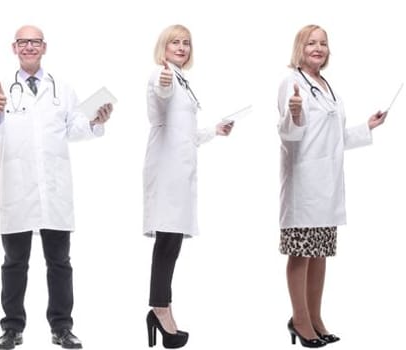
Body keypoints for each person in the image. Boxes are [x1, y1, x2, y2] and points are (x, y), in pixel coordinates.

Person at [0, 24, 115, 350]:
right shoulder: (1, 87)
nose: (29, 47)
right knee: (14, 262)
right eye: (23, 42)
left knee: (60, 262)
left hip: (53, 189)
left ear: (44, 47)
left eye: (34, 42)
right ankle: (12, 328)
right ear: (14, 48)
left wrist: (96, 121)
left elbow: (76, 128)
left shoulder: (62, 88)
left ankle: (62, 328)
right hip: (18, 189)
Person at [276, 24, 388, 348]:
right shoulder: (292, 82)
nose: (318, 47)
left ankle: (315, 316)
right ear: (300, 47)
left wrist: (367, 127)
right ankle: (299, 320)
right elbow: (289, 135)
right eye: (311, 42)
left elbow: (334, 137)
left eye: (323, 43)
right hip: (304, 184)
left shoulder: (326, 86)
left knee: (320, 254)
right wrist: (294, 114)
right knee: (301, 253)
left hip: (328, 185)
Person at [142, 23, 233, 349]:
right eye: (175, 43)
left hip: (180, 168)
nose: (181, 47)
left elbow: (188, 134)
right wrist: (165, 84)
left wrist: (216, 130)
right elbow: (161, 96)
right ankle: (160, 309)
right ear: (163, 47)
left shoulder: (182, 79)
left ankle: (161, 307)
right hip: (167, 168)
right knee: (167, 241)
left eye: (186, 43)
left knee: (173, 241)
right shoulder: (161, 75)